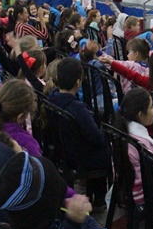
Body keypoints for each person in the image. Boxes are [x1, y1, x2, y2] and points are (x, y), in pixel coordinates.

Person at [46, 58, 111, 211]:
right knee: (105, 150)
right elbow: (96, 137)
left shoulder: (51, 98)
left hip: (63, 149)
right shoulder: (77, 109)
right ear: (78, 82)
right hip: (80, 155)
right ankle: (99, 201)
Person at [114, 87, 153, 205]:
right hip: (144, 195)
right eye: (151, 107)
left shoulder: (122, 132)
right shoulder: (142, 143)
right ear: (140, 115)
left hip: (126, 192)